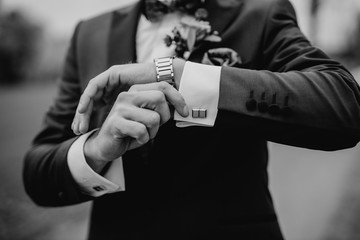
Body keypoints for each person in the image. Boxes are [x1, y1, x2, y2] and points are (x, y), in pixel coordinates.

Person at [23, 0, 360, 239]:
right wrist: (95, 149)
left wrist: (186, 78)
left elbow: (342, 106)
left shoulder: (261, 12)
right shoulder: (88, 33)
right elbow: (38, 173)